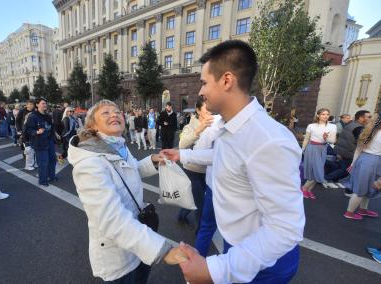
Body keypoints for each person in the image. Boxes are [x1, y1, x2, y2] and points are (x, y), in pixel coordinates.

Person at [162, 40, 305, 284]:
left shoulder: (268, 140)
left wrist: (215, 270)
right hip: (240, 246)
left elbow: (285, 229)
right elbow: (224, 159)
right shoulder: (233, 127)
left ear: (227, 80)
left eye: (204, 83)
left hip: (263, 261)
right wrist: (182, 154)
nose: (200, 92)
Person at [67, 99, 186, 283]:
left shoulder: (117, 146)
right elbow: (111, 219)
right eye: (105, 113)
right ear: (92, 125)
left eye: (116, 111)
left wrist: (153, 160)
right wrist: (163, 250)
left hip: (138, 236)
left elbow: (131, 170)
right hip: (118, 254)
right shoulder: (89, 164)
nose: (114, 114)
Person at [177, 97, 213, 226]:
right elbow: (182, 144)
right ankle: (201, 234)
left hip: (208, 171)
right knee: (201, 204)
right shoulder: (190, 126)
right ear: (198, 110)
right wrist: (200, 129)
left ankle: (182, 215)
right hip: (192, 170)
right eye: (206, 108)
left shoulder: (216, 123)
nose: (210, 111)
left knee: (193, 198)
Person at [343, 114, 381, 220]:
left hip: (363, 159)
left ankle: (363, 209)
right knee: (362, 188)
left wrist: (353, 163)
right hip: (374, 161)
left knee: (366, 187)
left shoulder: (367, 131)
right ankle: (349, 212)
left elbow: (358, 149)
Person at [332, 110, 372, 193]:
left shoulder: (352, 124)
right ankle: (326, 178)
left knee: (344, 170)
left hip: (344, 151)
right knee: (348, 171)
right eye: (369, 117)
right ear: (361, 118)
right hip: (349, 153)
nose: (370, 119)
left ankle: (328, 179)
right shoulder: (359, 128)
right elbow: (363, 143)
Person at [301, 108, 337, 199]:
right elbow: (306, 139)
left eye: (327, 114)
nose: (325, 116)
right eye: (323, 114)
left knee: (318, 170)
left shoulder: (332, 126)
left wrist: (326, 138)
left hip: (322, 149)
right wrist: (302, 150)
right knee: (314, 170)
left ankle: (306, 189)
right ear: (318, 115)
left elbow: (333, 141)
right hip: (311, 148)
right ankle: (306, 189)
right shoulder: (311, 126)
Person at [25, 98, 57, 187]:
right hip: (39, 142)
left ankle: (52, 177)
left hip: (49, 140)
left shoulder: (48, 115)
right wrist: (36, 132)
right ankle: (43, 180)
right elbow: (28, 129)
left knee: (52, 160)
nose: (45, 105)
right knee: (43, 162)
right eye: (43, 103)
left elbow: (51, 126)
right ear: (37, 105)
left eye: (45, 103)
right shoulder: (33, 116)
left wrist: (55, 134)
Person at [16, 101, 36, 170]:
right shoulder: (22, 111)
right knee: (28, 149)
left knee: (34, 149)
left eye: (32, 104)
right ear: (27, 105)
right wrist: (19, 130)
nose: (31, 105)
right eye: (30, 104)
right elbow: (17, 121)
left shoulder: (34, 111)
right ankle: (28, 165)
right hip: (24, 132)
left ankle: (33, 163)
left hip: (33, 132)